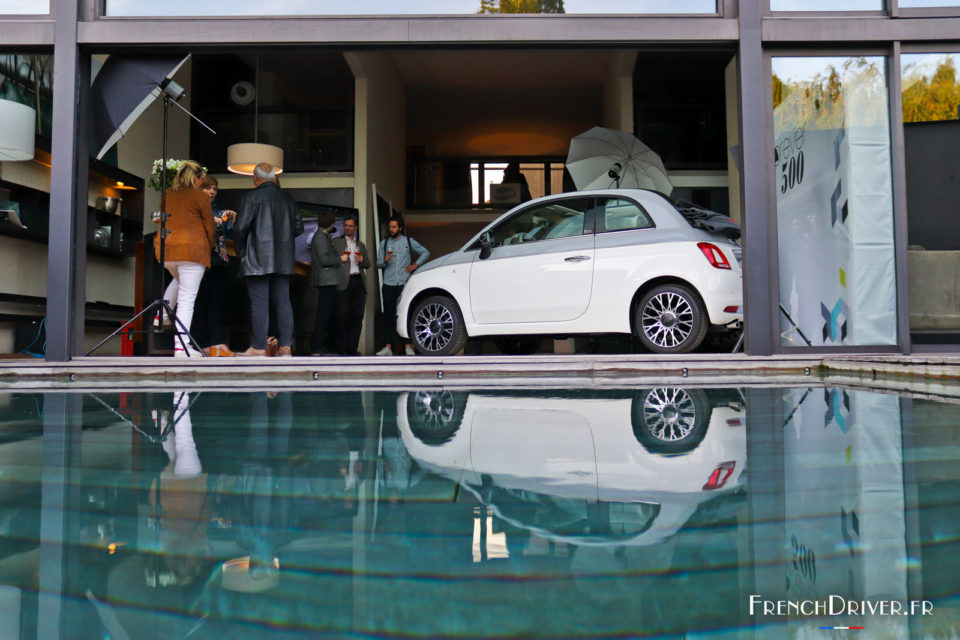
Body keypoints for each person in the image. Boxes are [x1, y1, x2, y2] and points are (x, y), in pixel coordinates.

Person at [234, 162, 303, 357]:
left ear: (255, 178)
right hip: (283, 259)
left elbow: (240, 228)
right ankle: (285, 347)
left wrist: (242, 252)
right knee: (283, 302)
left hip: (257, 258)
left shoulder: (251, 197)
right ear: (273, 177)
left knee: (259, 303)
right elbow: (298, 228)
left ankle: (258, 346)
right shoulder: (288, 199)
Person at [156, 160, 215, 358]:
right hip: (192, 251)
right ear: (197, 178)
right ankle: (181, 347)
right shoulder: (200, 197)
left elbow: (161, 220)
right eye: (202, 180)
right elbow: (209, 226)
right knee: (187, 299)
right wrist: (210, 246)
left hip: (168, 252)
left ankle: (162, 315)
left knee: (180, 281)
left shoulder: (167, 195)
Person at [192, 175, 237, 357]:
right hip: (200, 260)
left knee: (216, 302)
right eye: (207, 188)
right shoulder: (194, 209)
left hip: (219, 260)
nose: (211, 192)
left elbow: (225, 236)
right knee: (200, 301)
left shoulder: (218, 211)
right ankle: (201, 343)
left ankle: (216, 342)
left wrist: (229, 222)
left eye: (214, 189)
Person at [375, 216, 429, 356]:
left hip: (404, 283)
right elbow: (378, 264)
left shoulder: (409, 242)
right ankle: (388, 347)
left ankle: (408, 346)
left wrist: (415, 265)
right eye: (390, 227)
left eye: (394, 227)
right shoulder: (384, 243)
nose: (391, 229)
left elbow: (425, 252)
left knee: (406, 314)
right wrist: (385, 261)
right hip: (388, 284)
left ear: (400, 228)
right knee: (388, 316)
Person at [331, 216, 370, 356]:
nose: (347, 228)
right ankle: (341, 348)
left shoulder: (360, 245)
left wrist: (362, 259)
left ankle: (352, 348)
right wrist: (340, 259)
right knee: (341, 316)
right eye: (345, 225)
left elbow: (368, 264)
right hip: (343, 282)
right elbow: (330, 259)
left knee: (357, 316)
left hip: (358, 282)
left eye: (350, 226)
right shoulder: (336, 242)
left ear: (355, 228)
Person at [308, 211, 341, 355]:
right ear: (331, 224)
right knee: (323, 315)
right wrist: (341, 259)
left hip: (328, 280)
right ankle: (317, 348)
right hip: (326, 281)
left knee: (325, 314)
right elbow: (324, 260)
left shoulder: (322, 236)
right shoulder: (321, 238)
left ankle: (320, 347)